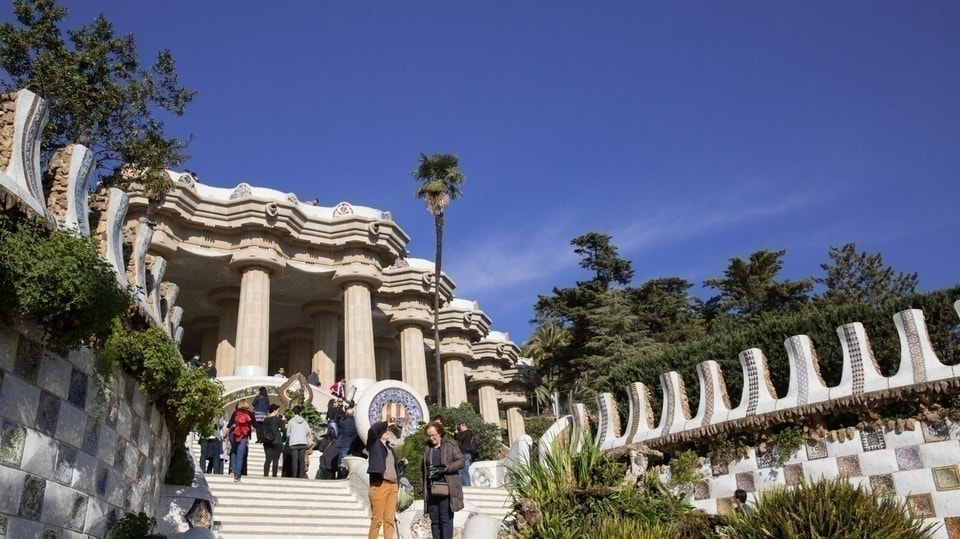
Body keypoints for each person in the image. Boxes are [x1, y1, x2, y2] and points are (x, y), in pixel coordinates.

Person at [422, 421, 465, 539]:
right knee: (434, 519)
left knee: (445, 519)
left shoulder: (450, 444)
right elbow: (424, 469)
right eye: (429, 436)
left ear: (440, 433)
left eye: (433, 435)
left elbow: (461, 461)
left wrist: (448, 468)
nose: (431, 438)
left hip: (447, 488)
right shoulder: (427, 447)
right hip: (432, 488)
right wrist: (423, 488)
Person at [367, 420, 407, 539]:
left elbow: (391, 468)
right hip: (380, 485)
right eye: (385, 430)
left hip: (393, 485)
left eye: (388, 430)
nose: (387, 432)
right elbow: (372, 430)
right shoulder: (374, 444)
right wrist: (387, 423)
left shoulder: (390, 448)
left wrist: (401, 464)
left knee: (389, 520)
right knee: (377, 520)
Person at [227, 400, 255, 483]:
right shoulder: (249, 414)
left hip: (234, 433)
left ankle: (232, 470)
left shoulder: (235, 413)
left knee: (234, 451)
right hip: (243, 435)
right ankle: (237, 476)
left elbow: (229, 425)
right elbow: (255, 425)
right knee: (240, 455)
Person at [286, 405, 310, 478]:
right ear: (300, 412)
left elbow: (288, 433)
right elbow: (308, 431)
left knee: (294, 460)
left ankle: (294, 476)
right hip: (303, 442)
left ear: (293, 412)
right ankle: (301, 476)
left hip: (294, 443)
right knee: (301, 460)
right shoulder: (304, 421)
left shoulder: (290, 421)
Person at [261, 404, 284, 477]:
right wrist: (283, 420)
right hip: (277, 440)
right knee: (275, 460)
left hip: (267, 441)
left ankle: (265, 475)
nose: (278, 412)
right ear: (275, 411)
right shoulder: (277, 419)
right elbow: (283, 429)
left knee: (268, 459)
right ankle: (274, 476)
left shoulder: (265, 420)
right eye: (278, 411)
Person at [453, 422, 476, 486]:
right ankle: (467, 486)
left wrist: (457, 433)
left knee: (463, 471)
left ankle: (467, 486)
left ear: (464, 426)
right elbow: (456, 438)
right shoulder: (469, 433)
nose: (460, 429)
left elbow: (459, 439)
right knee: (464, 471)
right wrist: (455, 433)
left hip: (465, 454)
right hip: (467, 454)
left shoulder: (467, 432)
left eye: (460, 427)